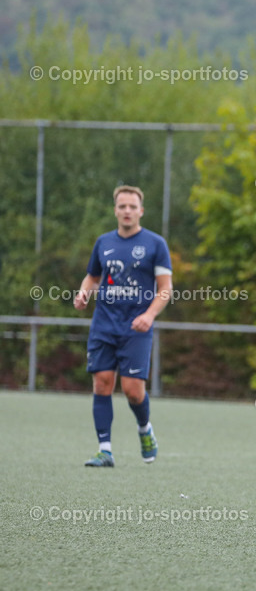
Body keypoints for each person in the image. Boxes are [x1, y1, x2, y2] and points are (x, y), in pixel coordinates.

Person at [74, 185, 173, 468]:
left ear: (141, 211)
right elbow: (92, 278)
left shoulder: (156, 244)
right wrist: (84, 294)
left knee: (132, 390)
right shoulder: (103, 243)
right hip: (104, 325)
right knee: (102, 384)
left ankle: (144, 428)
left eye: (132, 206)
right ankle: (105, 450)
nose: (127, 211)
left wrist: (150, 315)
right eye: (122, 206)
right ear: (115, 210)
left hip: (136, 328)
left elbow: (165, 289)